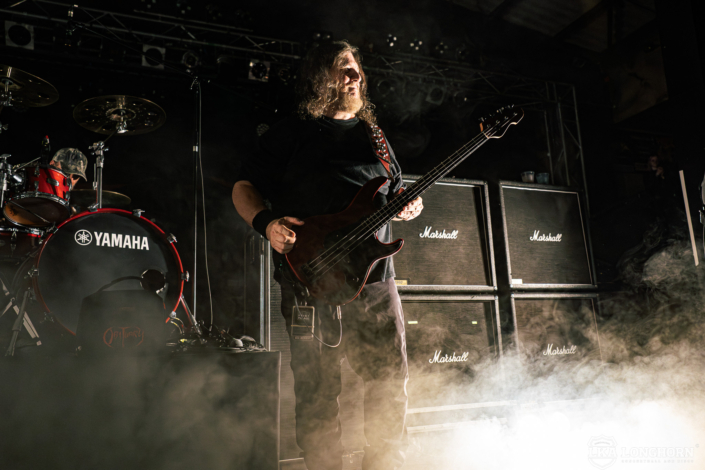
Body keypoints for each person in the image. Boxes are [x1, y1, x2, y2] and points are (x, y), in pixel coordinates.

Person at [232, 40, 423, 470]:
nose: (354, 76)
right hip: (310, 279)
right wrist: (267, 225)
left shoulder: (375, 137)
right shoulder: (290, 132)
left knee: (389, 381)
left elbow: (395, 192)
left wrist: (410, 205)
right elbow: (243, 187)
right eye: (342, 67)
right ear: (320, 77)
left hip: (374, 281)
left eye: (356, 67)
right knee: (317, 392)